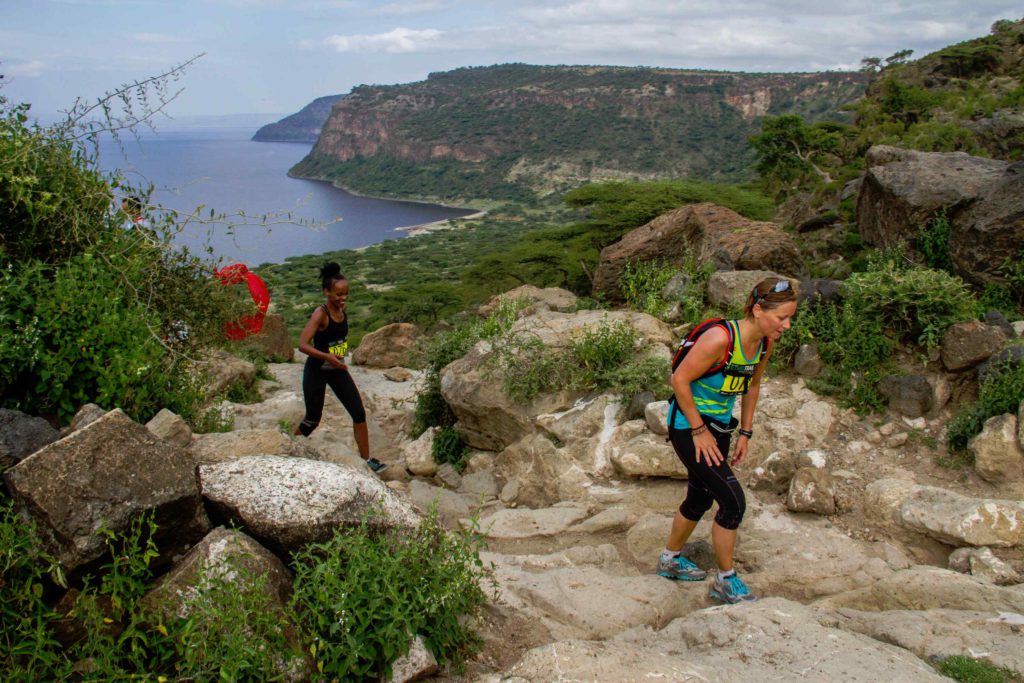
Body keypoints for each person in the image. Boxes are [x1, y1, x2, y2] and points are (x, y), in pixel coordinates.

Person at [657, 277, 798, 603]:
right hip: (688, 426)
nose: (787, 325)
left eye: (790, 318)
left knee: (701, 497)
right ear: (759, 309)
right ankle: (725, 579)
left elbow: (752, 385)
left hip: (719, 427)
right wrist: (698, 431)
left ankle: (669, 560)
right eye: (782, 318)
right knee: (733, 502)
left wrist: (745, 432)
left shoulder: (764, 342)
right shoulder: (720, 339)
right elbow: (679, 380)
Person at [295, 262, 386, 474]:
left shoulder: (342, 311)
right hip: (317, 370)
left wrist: (340, 357)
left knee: (358, 413)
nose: (343, 297)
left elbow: (339, 339)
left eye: (345, 293)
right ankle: (288, 449)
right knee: (312, 419)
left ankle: (367, 461)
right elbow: (302, 344)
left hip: (336, 369)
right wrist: (327, 356)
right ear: (326, 292)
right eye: (338, 294)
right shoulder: (321, 313)